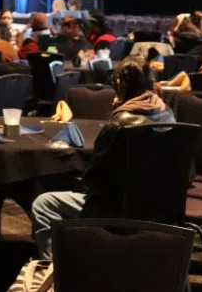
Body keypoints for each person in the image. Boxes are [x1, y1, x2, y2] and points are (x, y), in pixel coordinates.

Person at [30, 61, 175, 259]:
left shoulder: (120, 124)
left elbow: (95, 181)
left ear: (119, 86)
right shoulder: (168, 114)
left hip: (116, 211)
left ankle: (59, 276)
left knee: (44, 204)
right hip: (161, 209)